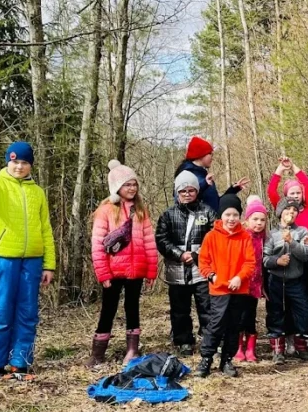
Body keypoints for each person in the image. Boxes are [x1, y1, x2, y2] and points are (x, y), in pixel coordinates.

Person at [0, 138, 55, 381]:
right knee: (2, 310)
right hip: (3, 258)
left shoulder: (37, 192)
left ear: (31, 165)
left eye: (25, 163)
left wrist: (49, 264)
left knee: (28, 313)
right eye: (15, 162)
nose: (19, 167)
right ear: (8, 162)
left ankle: (21, 363)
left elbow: (45, 229)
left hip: (33, 260)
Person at [88, 160, 158, 367]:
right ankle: (98, 353)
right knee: (108, 309)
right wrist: (103, 273)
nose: (132, 188)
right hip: (113, 270)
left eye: (134, 184)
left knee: (132, 307)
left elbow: (149, 242)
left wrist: (151, 271)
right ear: (117, 187)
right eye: (127, 184)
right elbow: (98, 245)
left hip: (136, 269)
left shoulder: (141, 210)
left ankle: (132, 350)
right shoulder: (106, 211)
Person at [156, 171, 216, 356]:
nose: (187, 194)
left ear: (197, 191)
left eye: (191, 190)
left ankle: (209, 340)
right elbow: (161, 240)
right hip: (177, 272)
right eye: (183, 191)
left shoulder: (207, 212)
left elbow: (215, 236)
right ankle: (183, 341)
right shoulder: (167, 215)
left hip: (202, 270)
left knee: (207, 307)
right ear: (177, 192)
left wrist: (198, 254)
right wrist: (180, 255)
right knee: (179, 310)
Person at [196, 194, 256, 377]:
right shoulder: (211, 236)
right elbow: (203, 262)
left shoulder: (245, 237)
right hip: (219, 289)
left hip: (239, 289)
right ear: (221, 215)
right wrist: (212, 276)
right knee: (216, 324)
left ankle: (227, 360)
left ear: (240, 216)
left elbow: (250, 263)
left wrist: (239, 277)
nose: (231, 218)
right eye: (227, 214)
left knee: (234, 326)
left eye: (235, 215)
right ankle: (206, 358)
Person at [263, 198, 308, 363]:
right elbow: (265, 258)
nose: (291, 213)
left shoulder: (302, 232)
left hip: (296, 280)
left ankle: (302, 347)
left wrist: (291, 242)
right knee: (275, 312)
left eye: (294, 210)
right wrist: (276, 261)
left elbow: (305, 255)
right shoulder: (271, 234)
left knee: (305, 311)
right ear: (280, 213)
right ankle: (278, 350)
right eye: (287, 209)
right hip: (276, 280)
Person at [173, 136, 249, 214]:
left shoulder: (204, 176)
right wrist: (205, 184)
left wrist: (233, 189)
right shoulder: (185, 176)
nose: (212, 157)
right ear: (201, 154)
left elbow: (215, 205)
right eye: (210, 154)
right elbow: (183, 204)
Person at [234, 195, 268, 363]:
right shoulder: (241, 236)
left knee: (251, 316)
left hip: (255, 285)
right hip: (241, 283)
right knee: (239, 316)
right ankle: (238, 348)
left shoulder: (264, 238)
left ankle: (250, 348)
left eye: (262, 220)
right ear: (246, 220)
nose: (259, 223)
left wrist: (263, 285)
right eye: (255, 219)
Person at [267, 157, 308, 231]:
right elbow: (271, 191)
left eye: (298, 193)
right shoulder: (282, 207)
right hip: (287, 238)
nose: (296, 196)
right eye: (292, 193)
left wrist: (292, 166)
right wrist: (280, 169)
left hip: (307, 238)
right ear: (286, 195)